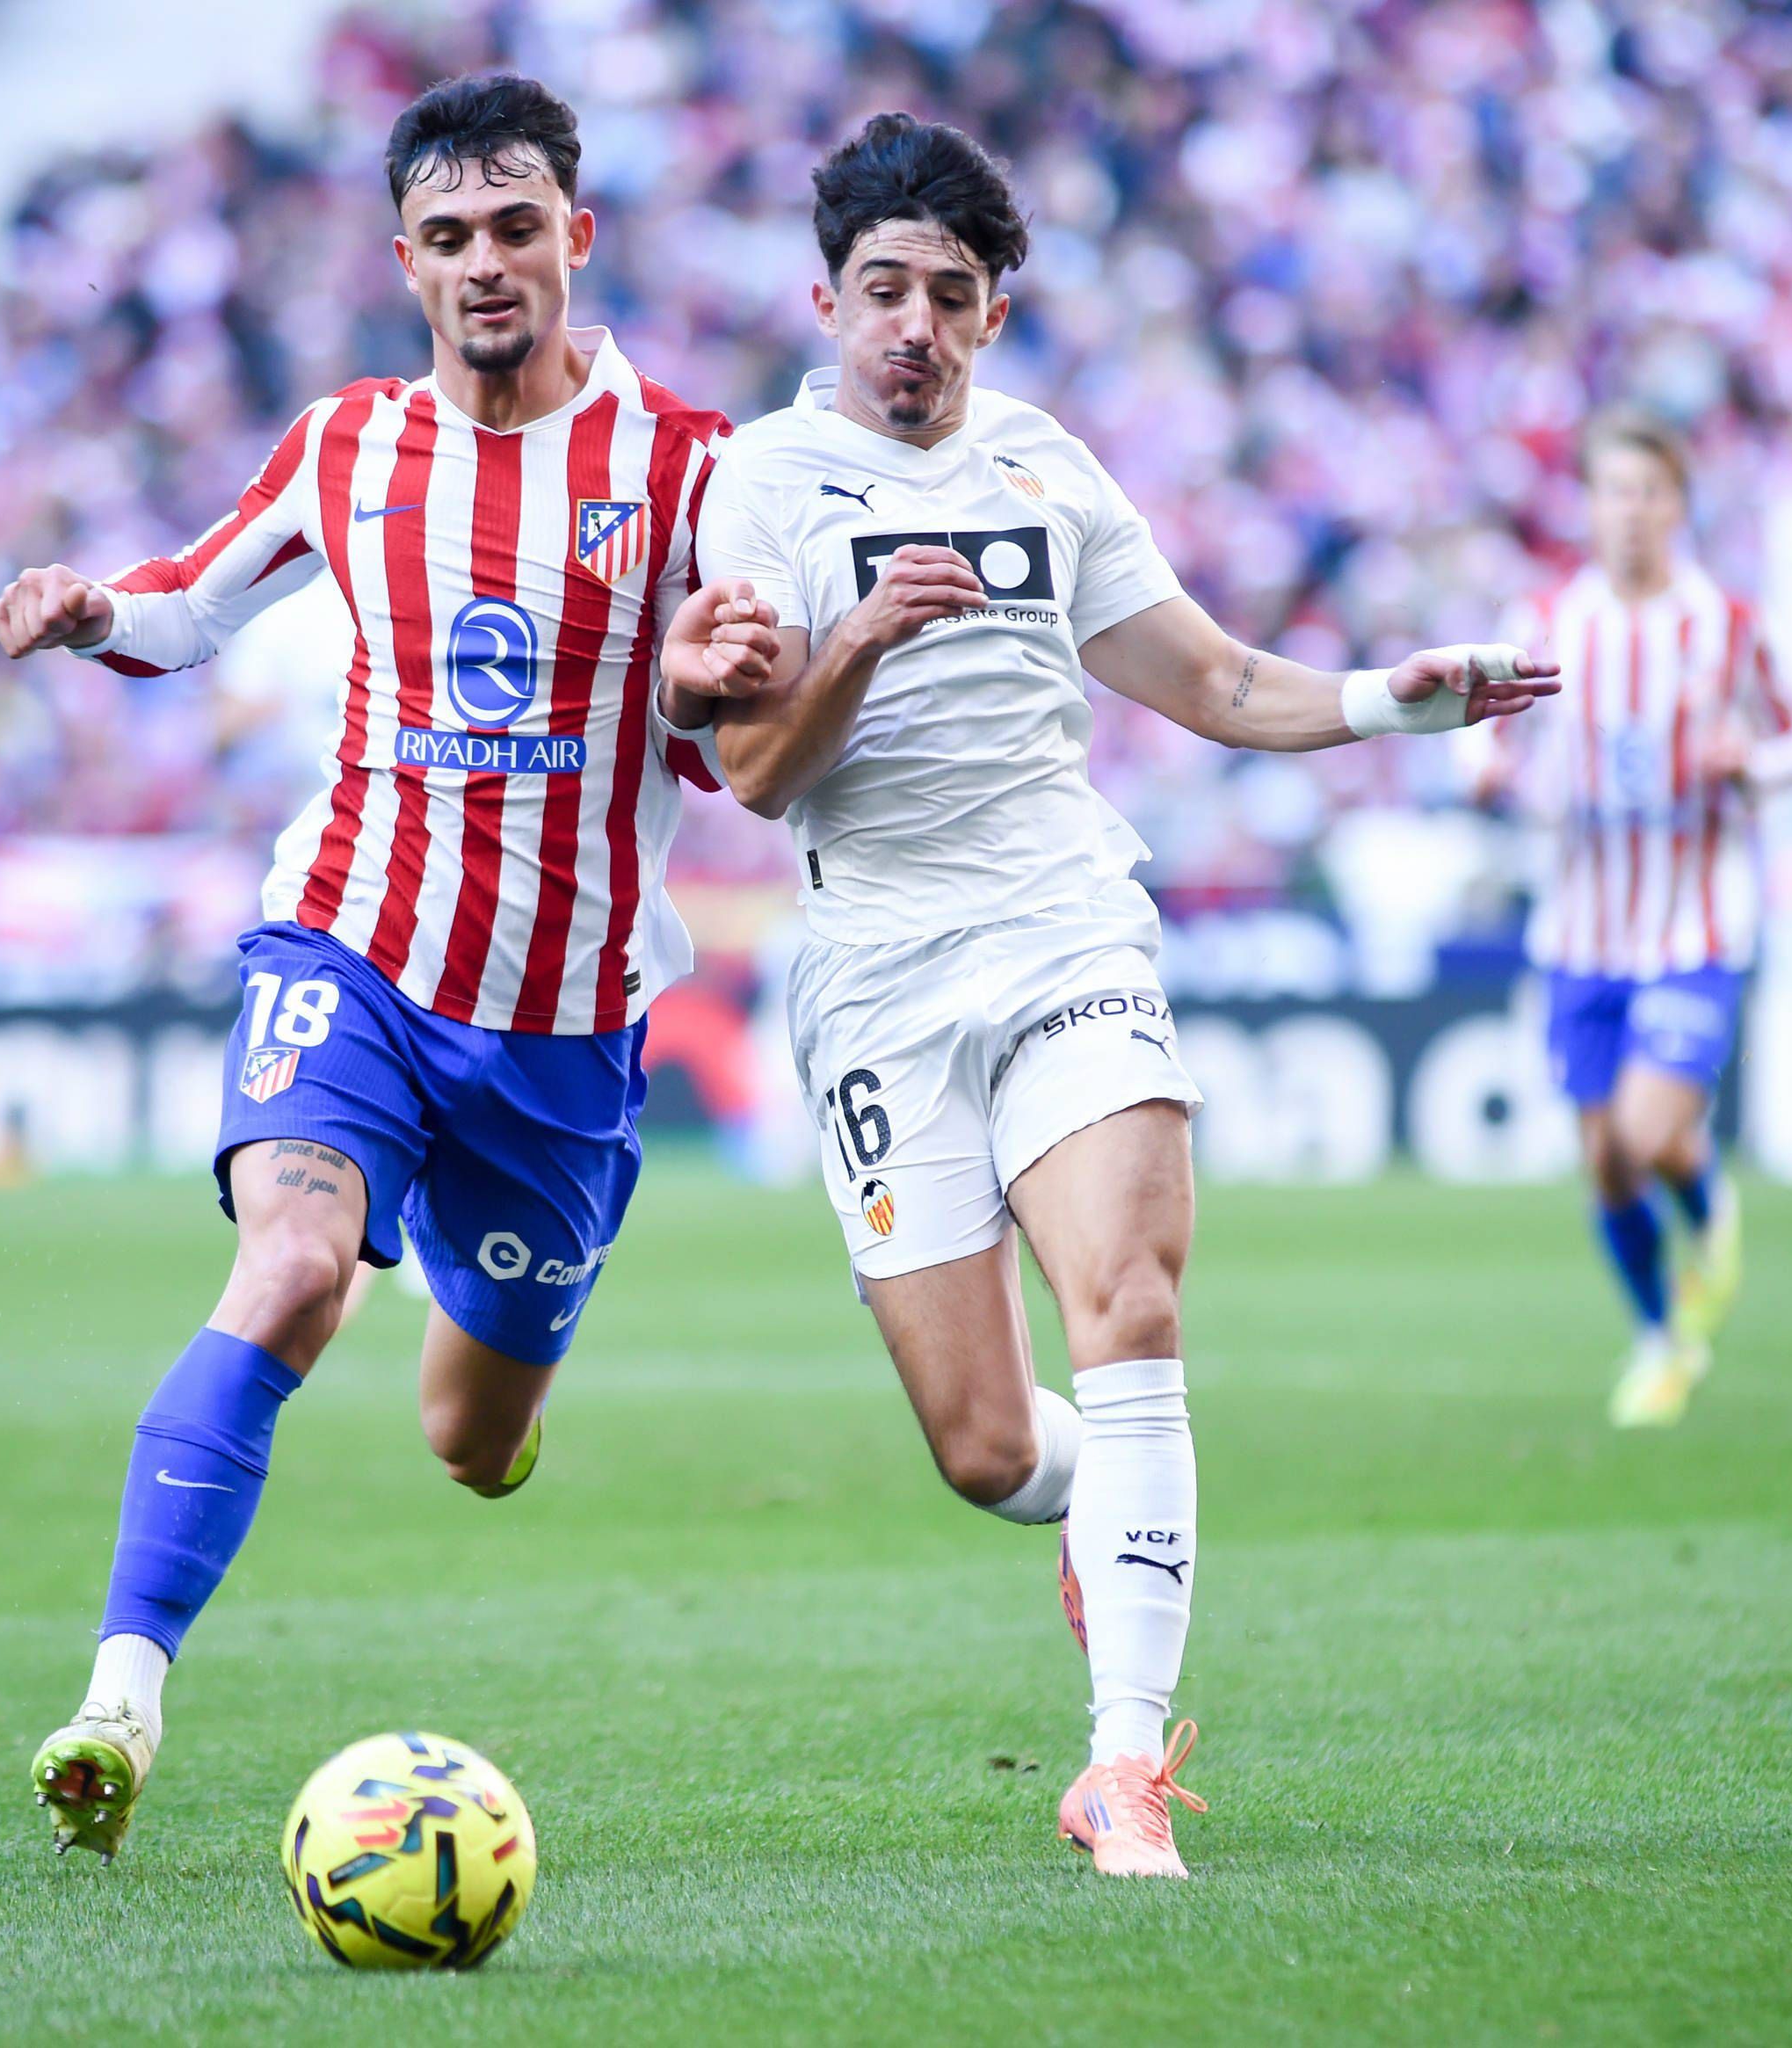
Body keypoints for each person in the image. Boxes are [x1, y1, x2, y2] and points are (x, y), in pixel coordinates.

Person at [662, 114, 1557, 1878]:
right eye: (883, 291)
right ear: (826, 300)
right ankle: (1097, 1520)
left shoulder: (1047, 471)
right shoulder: (761, 481)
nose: (914, 325)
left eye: (951, 295)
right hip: (876, 973)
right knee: (986, 1447)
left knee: (1131, 1303)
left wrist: (1394, 698)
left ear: (994, 315)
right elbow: (755, 776)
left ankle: (1123, 1767)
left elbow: (1214, 679)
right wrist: (857, 640)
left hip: (1065, 924)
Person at [0, 74, 739, 1859]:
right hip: (353, 952)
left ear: (579, 235)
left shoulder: (692, 466)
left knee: (473, 1443)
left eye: (517, 228)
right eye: (450, 236)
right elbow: (185, 601)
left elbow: (740, 729)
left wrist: (728, 692)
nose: (487, 264)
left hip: (560, 1029)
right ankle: (120, 1696)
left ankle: (485, 1363)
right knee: (296, 1268)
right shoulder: (348, 447)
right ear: (405, 259)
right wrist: (96, 612)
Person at [1480, 410, 1792, 1429]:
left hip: (1692, 924)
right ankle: (1659, 1338)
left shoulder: (1721, 621)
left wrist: (1749, 763)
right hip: (1579, 929)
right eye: (1612, 491)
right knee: (1603, 1155)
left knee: (1643, 1128)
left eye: (1649, 491)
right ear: (1588, 504)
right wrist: (1486, 769)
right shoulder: (1542, 617)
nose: (1630, 512)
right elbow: (1471, 727)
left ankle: (1707, 1208)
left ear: (1677, 504)